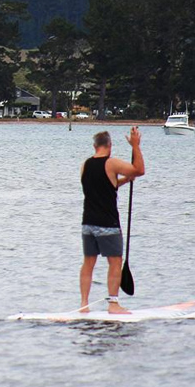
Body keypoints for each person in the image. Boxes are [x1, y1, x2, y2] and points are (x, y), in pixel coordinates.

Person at [79, 128, 144, 314]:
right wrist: (135, 146)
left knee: (88, 263)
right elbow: (140, 170)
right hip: (107, 224)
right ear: (110, 145)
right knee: (115, 262)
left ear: (95, 146)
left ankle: (84, 304)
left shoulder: (85, 165)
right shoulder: (111, 163)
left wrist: (125, 180)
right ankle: (113, 304)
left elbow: (103, 187)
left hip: (87, 223)